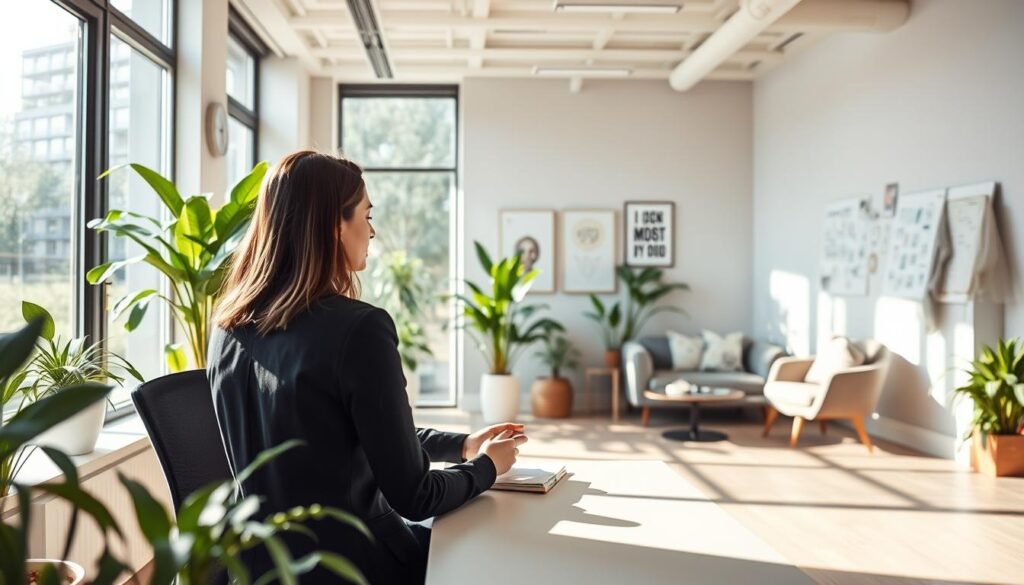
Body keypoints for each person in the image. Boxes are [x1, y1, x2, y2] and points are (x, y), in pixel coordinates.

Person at [208, 150, 527, 585]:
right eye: (366, 215)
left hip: (259, 570)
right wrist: (488, 467)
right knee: (490, 547)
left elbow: (338, 436)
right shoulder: (359, 331)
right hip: (356, 569)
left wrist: (463, 445)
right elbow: (415, 496)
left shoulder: (227, 330)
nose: (372, 231)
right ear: (334, 225)